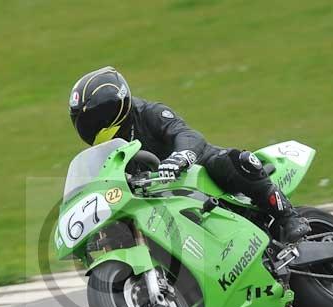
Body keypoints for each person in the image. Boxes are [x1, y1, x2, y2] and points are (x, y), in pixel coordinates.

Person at [68, 66, 310, 243]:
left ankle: (288, 217)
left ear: (109, 111)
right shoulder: (104, 152)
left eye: (89, 120)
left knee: (231, 161)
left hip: (195, 172)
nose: (86, 128)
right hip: (160, 202)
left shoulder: (150, 112)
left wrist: (181, 156)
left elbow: (186, 134)